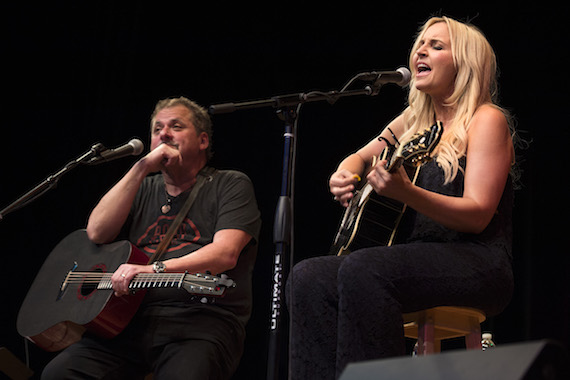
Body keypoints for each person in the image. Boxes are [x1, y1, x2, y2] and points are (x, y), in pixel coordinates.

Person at [286, 16, 517, 379]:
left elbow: (477, 215)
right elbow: (359, 157)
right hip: (415, 256)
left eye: (437, 46)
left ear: (466, 63)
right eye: (420, 44)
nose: (420, 50)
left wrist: (407, 193)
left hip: (478, 261)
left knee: (365, 269)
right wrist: (345, 174)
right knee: (308, 276)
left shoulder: (485, 120)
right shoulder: (413, 120)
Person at [42, 97, 262, 380]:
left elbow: (224, 254)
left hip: (200, 322)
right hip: (129, 322)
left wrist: (152, 269)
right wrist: (141, 167)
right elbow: (96, 232)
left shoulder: (230, 183)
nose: (164, 134)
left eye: (176, 126)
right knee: (59, 374)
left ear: (203, 140)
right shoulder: (142, 187)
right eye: (157, 129)